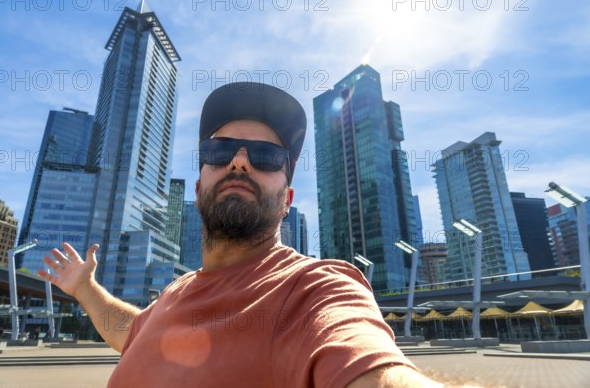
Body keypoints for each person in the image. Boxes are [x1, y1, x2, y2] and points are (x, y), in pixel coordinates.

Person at [39, 83, 469, 387]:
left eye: (265, 156)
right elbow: (134, 334)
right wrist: (84, 288)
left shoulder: (313, 290)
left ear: (287, 199)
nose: (240, 162)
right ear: (198, 185)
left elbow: (364, 362)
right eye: (220, 151)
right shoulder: (177, 292)